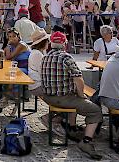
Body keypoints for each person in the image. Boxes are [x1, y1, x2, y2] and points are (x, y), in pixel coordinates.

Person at [41, 31, 102, 160]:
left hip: (47, 96)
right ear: (64, 43)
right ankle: (86, 141)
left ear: (51, 43)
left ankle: (72, 128)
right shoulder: (66, 58)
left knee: (73, 95)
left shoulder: (45, 57)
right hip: (63, 98)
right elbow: (79, 79)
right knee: (95, 111)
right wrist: (81, 95)